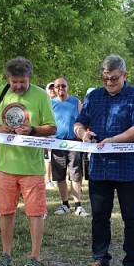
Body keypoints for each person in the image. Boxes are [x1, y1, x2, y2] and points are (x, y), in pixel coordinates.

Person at [74, 54, 134, 266]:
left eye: (114, 79)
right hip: (99, 168)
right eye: (105, 78)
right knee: (99, 216)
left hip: (127, 167)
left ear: (125, 76)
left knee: (131, 217)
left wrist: (114, 140)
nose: (109, 83)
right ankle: (100, 259)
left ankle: (131, 264)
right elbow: (78, 123)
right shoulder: (94, 96)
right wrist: (83, 134)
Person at [0, 57, 57, 266]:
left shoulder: (41, 95)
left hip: (32, 168)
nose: (18, 86)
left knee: (35, 213)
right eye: (14, 82)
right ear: (8, 79)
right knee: (5, 212)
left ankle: (35, 257)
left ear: (29, 78)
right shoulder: (1, 93)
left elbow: (52, 127)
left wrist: (32, 130)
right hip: (5, 166)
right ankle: (6, 254)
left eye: (22, 81)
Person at [50, 77, 89, 218]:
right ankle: (65, 204)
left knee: (76, 175)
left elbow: (83, 121)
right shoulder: (50, 104)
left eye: (63, 86)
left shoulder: (76, 102)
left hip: (74, 143)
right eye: (58, 86)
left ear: (68, 87)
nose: (61, 88)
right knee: (60, 176)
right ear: (54, 88)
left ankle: (78, 205)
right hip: (57, 144)